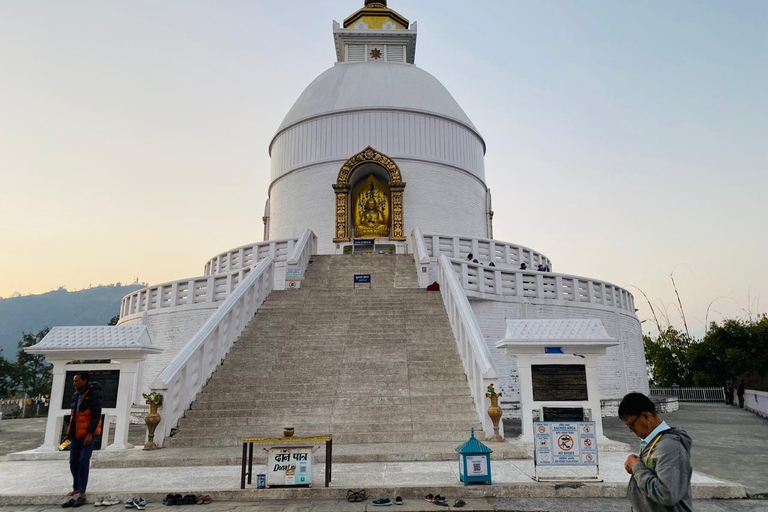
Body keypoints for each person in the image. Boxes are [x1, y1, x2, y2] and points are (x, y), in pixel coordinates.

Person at [620, 392, 692, 512]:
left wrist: (637, 468)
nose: (631, 430)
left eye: (631, 425)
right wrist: (636, 466)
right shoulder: (654, 441)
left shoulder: (669, 446)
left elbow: (666, 494)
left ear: (646, 416)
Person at [61, 371, 103, 508]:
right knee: (73, 461)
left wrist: (90, 433)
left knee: (84, 460)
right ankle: (76, 487)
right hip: (75, 434)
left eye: (77, 381)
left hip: (87, 434)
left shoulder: (94, 394)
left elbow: (96, 415)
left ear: (84, 381)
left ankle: (82, 492)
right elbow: (74, 416)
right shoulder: (76, 395)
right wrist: (68, 433)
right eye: (74, 381)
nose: (74, 383)